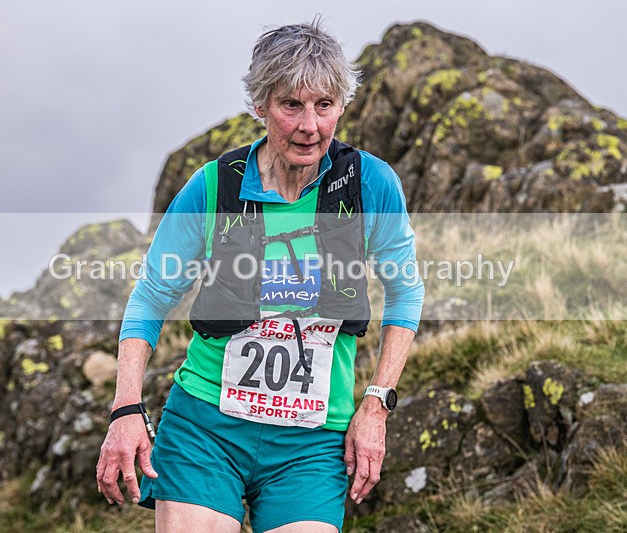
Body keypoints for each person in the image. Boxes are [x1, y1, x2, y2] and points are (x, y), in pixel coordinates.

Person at [97, 20, 424, 533]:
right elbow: (151, 297)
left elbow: (405, 290)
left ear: (342, 106)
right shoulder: (214, 187)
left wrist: (376, 404)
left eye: (324, 105)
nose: (310, 125)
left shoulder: (370, 185)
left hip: (312, 439)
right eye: (291, 105)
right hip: (207, 427)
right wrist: (125, 409)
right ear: (259, 104)